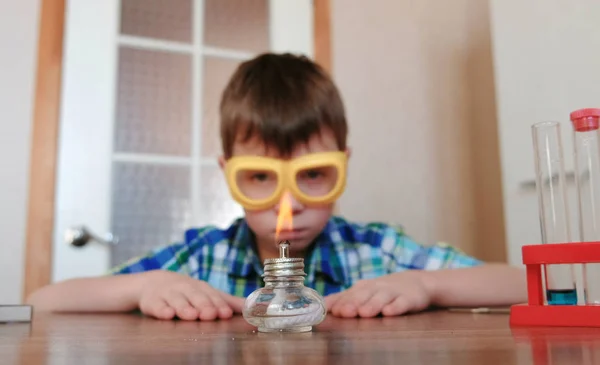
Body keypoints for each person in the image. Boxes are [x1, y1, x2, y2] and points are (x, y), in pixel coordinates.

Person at [27, 53, 527, 321]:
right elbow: (44, 300)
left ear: (342, 165)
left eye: (313, 174)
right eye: (261, 178)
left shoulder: (377, 252)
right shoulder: (202, 258)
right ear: (229, 173)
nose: (289, 205)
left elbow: (527, 284)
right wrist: (144, 286)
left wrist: (427, 284)